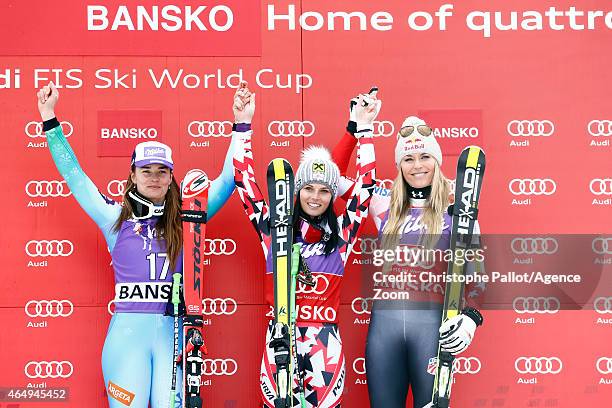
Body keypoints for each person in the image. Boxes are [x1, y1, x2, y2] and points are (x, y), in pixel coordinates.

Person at [36, 82, 242, 408]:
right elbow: (75, 177)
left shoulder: (188, 217)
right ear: (133, 175)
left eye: (162, 171)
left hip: (173, 337)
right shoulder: (114, 218)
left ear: (171, 176)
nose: (154, 177)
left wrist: (241, 124)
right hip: (127, 339)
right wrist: (49, 119)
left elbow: (231, 179)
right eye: (146, 170)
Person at [231, 84, 380, 407]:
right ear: (296, 191)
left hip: (325, 347)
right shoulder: (274, 230)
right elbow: (244, 182)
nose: (315, 196)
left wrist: (365, 131)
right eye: (308, 188)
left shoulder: (342, 235)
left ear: (332, 195)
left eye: (324, 190)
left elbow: (366, 186)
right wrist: (242, 124)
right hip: (279, 342)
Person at [332, 106, 485, 408]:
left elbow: (478, 276)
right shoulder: (381, 203)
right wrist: (357, 127)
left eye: (425, 157)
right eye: (409, 158)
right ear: (400, 164)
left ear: (437, 161)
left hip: (431, 333)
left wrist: (471, 317)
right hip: (383, 335)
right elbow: (331, 177)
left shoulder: (459, 209)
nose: (417, 166)